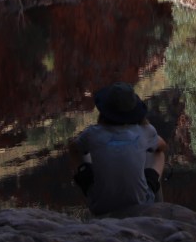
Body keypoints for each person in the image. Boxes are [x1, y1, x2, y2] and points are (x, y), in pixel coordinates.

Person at [67, 82, 167, 216]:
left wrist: (83, 171)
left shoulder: (92, 134)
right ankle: (158, 206)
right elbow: (162, 146)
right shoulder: (145, 132)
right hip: (141, 204)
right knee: (157, 154)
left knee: (86, 152)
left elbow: (73, 147)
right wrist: (145, 127)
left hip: (99, 206)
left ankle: (91, 181)